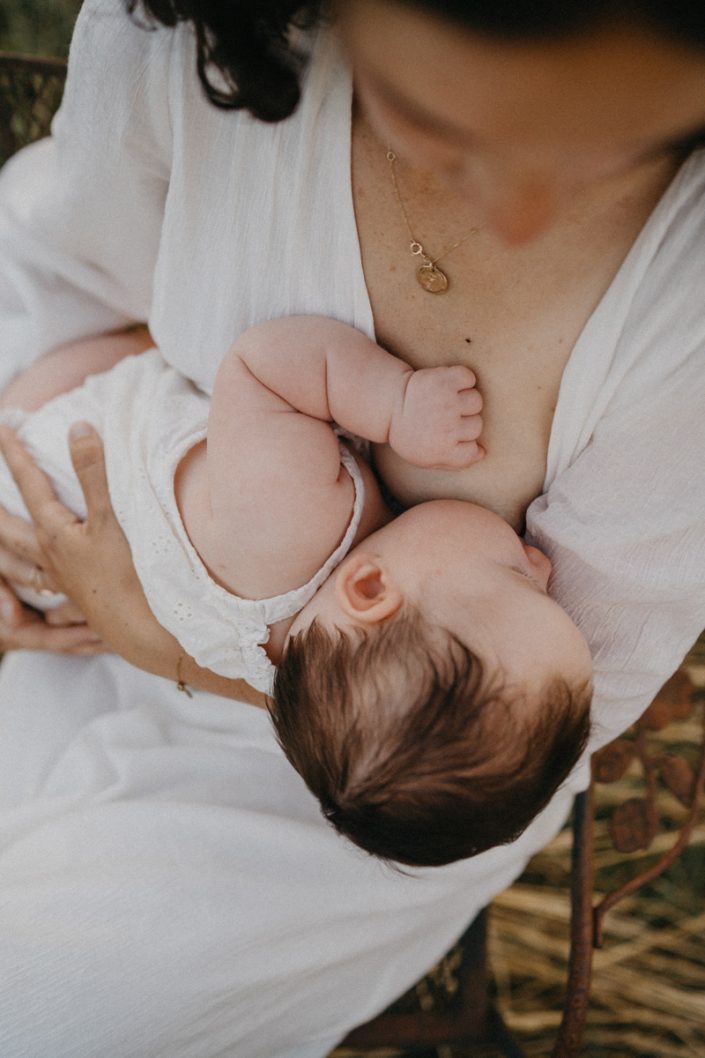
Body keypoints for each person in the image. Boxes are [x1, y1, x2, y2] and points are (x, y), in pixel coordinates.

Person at [0, 1, 704, 1055]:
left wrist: (163, 645)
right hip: (83, 547)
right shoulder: (195, 50)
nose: (522, 216)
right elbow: (56, 266)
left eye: (622, 138)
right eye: (444, 118)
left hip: (390, 781)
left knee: (48, 1002)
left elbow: (553, 720)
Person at [0, 316, 592, 867]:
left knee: (121, 354)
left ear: (369, 588)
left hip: (50, 455)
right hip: (61, 561)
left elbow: (260, 368)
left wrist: (393, 403)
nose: (541, 562)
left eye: (519, 580)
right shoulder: (296, 674)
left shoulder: (294, 520)